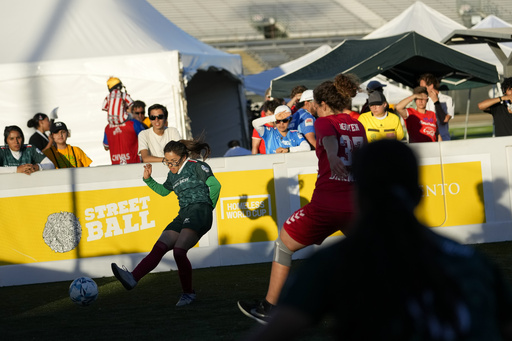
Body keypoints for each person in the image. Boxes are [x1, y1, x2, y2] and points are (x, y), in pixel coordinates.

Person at [243, 139, 512, 341]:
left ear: (358, 196)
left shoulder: (332, 264)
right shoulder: (476, 263)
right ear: (419, 195)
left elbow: (275, 332)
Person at [238, 74, 367, 323]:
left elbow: (328, 140)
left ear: (323, 105)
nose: (313, 111)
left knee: (283, 245)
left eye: (315, 106)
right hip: (355, 203)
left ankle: (269, 308)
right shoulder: (358, 124)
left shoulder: (323, 122)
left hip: (327, 204)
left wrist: (332, 156)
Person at [111, 138, 221, 306]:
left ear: (183, 157)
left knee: (178, 251)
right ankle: (133, 277)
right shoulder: (172, 174)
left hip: (199, 210)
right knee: (160, 246)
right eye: (167, 162)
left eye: (173, 162)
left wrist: (207, 208)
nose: (170, 166)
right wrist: (148, 180)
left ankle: (188, 294)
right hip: (184, 213)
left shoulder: (197, 166)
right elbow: (163, 191)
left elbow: (216, 186)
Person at [419, 73, 454, 141]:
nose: (420, 90)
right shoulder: (423, 100)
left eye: (422, 87)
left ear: (431, 86)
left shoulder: (447, 99)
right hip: (427, 140)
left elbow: (444, 120)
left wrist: (436, 102)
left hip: (443, 139)